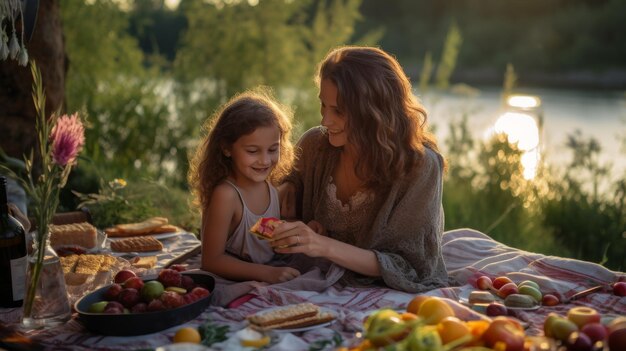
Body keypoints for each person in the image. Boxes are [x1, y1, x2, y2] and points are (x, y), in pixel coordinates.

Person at [273, 46, 449, 292]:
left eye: (339, 111)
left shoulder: (420, 167)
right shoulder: (315, 144)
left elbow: (411, 267)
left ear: (375, 112)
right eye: (323, 105)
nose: (325, 120)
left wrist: (321, 245)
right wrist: (287, 186)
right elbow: (291, 184)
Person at [188, 88, 300, 284]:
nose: (265, 160)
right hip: (232, 281)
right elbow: (211, 261)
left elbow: (256, 230)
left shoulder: (269, 185)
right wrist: (267, 274)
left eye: (273, 149)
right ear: (226, 148)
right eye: (252, 151)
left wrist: (296, 232)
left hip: (268, 269)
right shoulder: (227, 195)